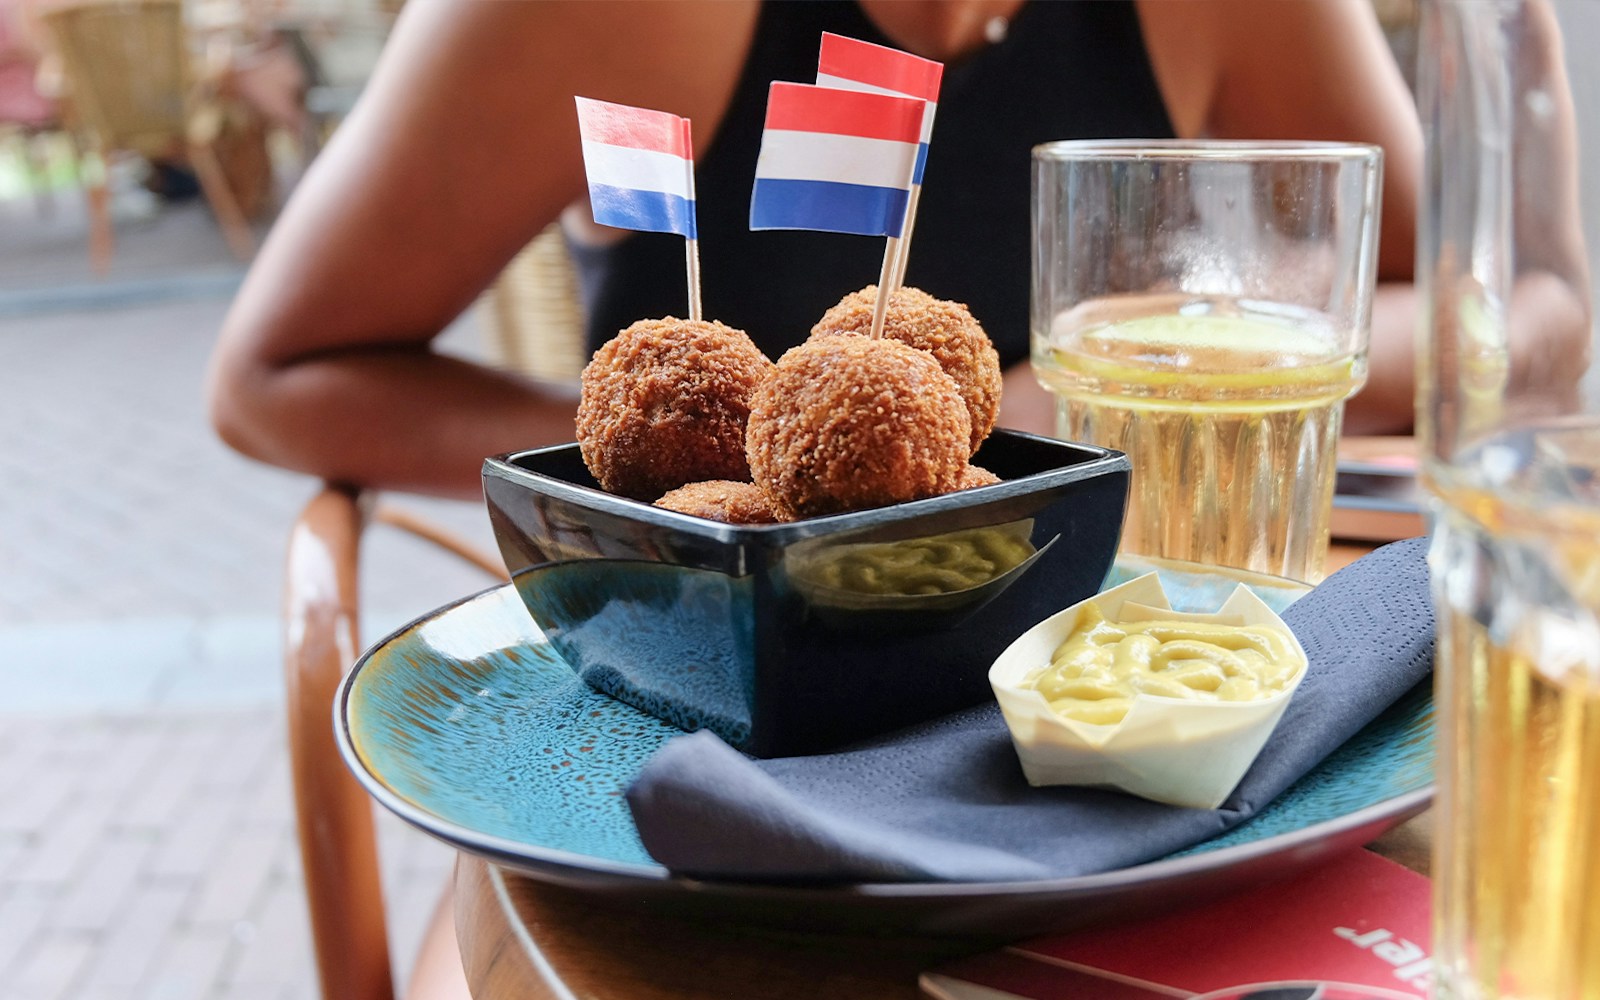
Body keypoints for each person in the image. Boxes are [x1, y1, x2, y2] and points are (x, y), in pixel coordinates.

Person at [206, 3, 1421, 995]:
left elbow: (1515, 306)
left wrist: (1077, 379)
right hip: (651, 765)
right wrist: (662, 476)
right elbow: (275, 376)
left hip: (1082, 720)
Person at [207, 0, 1422, 506]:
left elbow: (1504, 306)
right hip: (709, 704)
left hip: (1111, 652)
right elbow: (278, 378)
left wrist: (1107, 396)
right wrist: (715, 488)